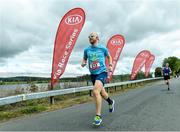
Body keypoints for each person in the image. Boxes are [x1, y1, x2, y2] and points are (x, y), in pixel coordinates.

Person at [81, 32, 115, 126]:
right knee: (102, 93)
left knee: (95, 91)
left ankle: (98, 116)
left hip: (102, 72)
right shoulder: (86, 50)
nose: (90, 38)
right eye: (89, 37)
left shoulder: (103, 48)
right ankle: (110, 102)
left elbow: (109, 57)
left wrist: (111, 65)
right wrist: (83, 63)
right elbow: (84, 59)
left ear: (97, 38)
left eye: (92, 36)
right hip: (93, 74)